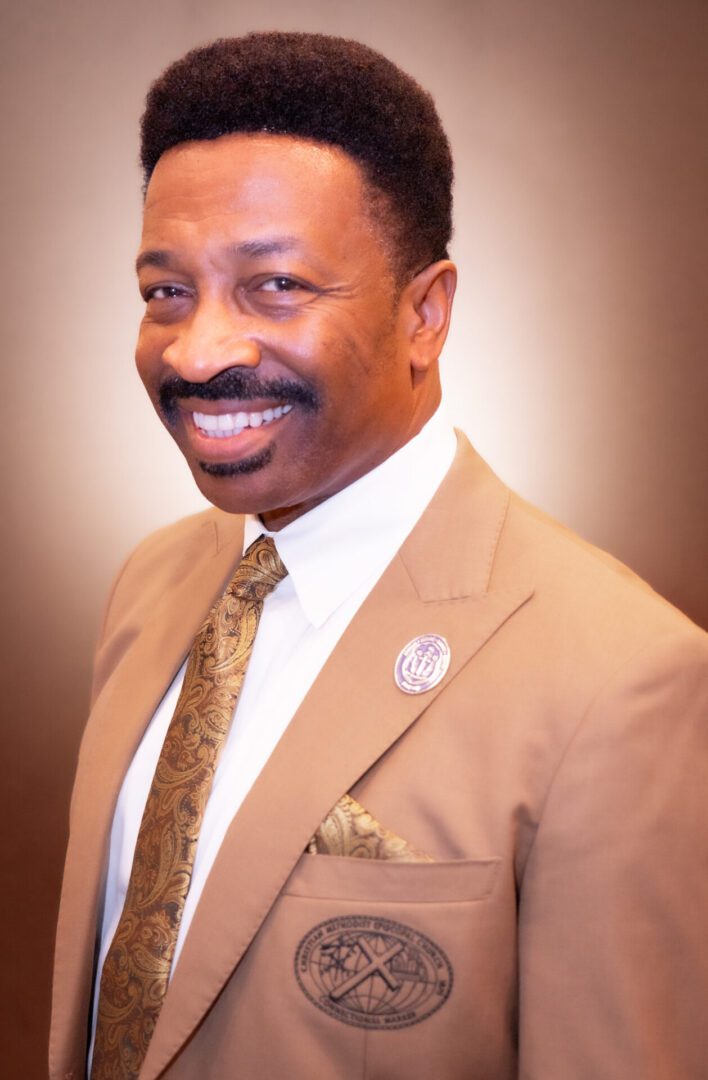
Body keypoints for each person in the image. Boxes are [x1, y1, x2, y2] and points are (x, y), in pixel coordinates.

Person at [51, 32, 708, 1080]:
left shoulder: (623, 682)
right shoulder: (153, 582)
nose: (196, 350)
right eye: (165, 290)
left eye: (274, 287)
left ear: (425, 314)